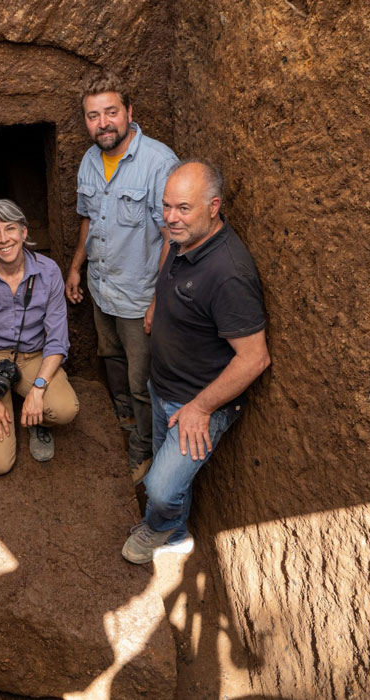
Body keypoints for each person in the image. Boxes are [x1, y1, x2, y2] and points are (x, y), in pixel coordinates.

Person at [121, 161, 271, 564]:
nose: (170, 218)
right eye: (167, 206)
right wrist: (156, 302)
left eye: (183, 208)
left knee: (162, 488)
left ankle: (158, 526)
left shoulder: (229, 274)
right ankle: (178, 536)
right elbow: (169, 261)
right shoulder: (182, 237)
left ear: (213, 207)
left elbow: (255, 358)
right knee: (163, 472)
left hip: (197, 403)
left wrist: (201, 408)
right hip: (164, 385)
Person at [65, 71, 180, 484]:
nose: (103, 123)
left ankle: (142, 451)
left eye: (111, 112)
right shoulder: (90, 160)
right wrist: (77, 267)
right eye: (93, 116)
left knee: (140, 380)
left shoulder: (159, 163)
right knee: (110, 359)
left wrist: (157, 303)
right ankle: (125, 423)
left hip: (139, 299)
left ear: (129, 112)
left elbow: (173, 239)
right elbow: (88, 220)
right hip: (103, 288)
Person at [0, 199, 79, 475]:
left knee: (64, 408)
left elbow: (57, 340)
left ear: (23, 232)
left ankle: (38, 421)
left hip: (33, 357)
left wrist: (37, 389)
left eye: (10, 229)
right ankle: (5, 401)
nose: (3, 239)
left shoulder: (48, 272)